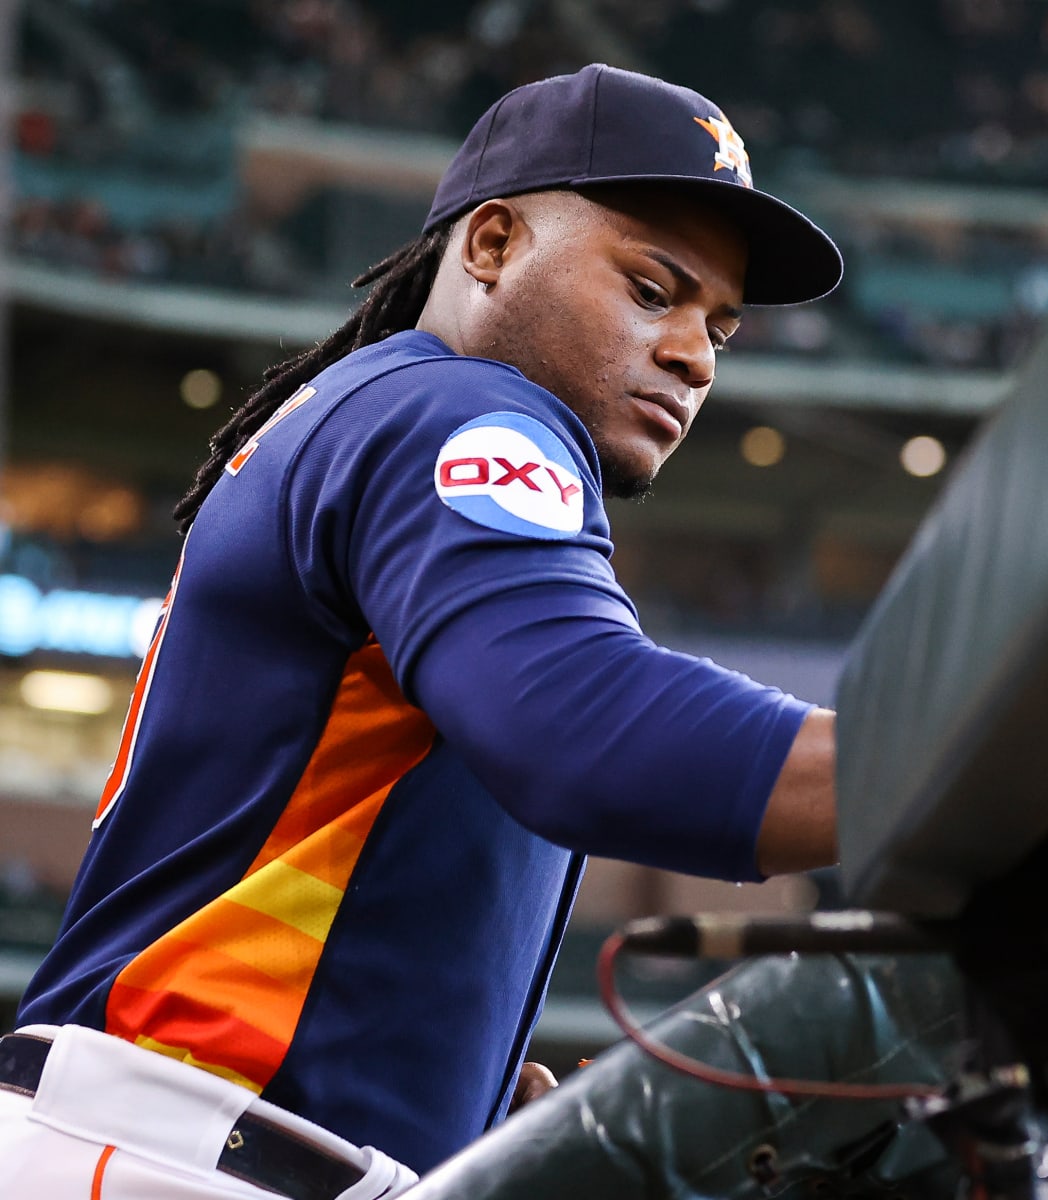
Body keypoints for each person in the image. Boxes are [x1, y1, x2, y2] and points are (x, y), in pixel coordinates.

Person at [0, 63, 842, 1199]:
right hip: (187, 1151)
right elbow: (583, 730)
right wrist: (973, 770)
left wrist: (458, 1090)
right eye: (652, 290)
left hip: (192, 1137)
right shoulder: (461, 408)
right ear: (490, 245)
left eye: (720, 328)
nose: (695, 353)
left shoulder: (375, 409)